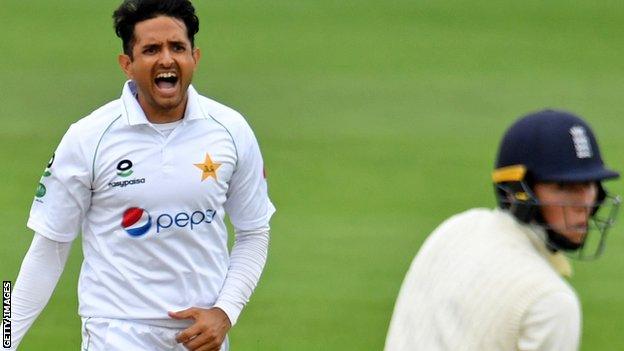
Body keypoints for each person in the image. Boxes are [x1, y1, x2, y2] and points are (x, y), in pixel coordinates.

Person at [7, 0, 275, 350]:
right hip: (116, 332)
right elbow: (47, 250)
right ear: (127, 65)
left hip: (202, 336)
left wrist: (225, 312)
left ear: (194, 57)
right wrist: (5, 337)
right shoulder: (88, 138)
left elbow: (254, 232)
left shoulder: (231, 130)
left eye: (177, 47)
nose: (166, 59)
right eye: (151, 49)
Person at [384, 109, 620, 351]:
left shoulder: (455, 229)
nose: (585, 203)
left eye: (590, 184)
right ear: (518, 190)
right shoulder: (551, 302)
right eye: (564, 186)